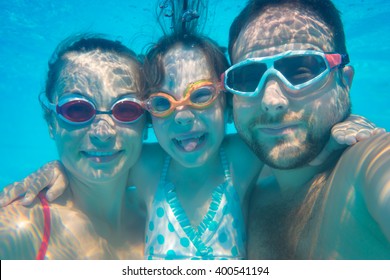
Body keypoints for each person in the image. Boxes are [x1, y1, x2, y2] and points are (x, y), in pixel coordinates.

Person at [0, 0, 383, 260]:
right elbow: (100, 157)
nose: (181, 117)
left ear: (228, 105)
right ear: (149, 117)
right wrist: (56, 170)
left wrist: (336, 132)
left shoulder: (242, 159)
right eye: (163, 104)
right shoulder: (150, 168)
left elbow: (294, 144)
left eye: (200, 96)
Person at [224, 0, 390, 259]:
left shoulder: (367, 166)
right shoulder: (242, 184)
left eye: (301, 72)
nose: (271, 101)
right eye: (248, 78)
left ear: (344, 82)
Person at [0, 35, 147, 259]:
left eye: (126, 110)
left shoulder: (161, 212)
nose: (103, 133)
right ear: (51, 123)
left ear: (146, 124)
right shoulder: (19, 229)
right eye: (77, 110)